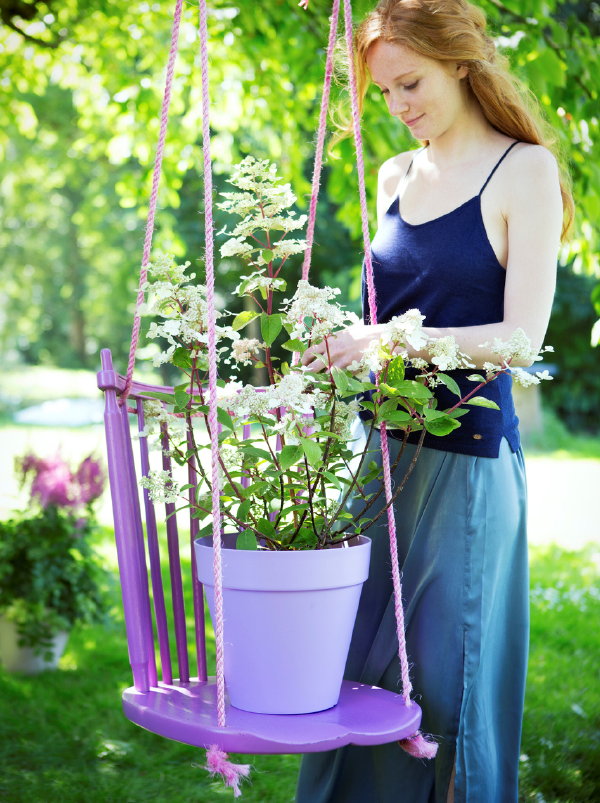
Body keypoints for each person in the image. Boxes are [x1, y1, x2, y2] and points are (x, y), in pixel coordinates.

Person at [296, 1, 572, 801]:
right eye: (384, 93)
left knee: (446, 690)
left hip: (469, 468)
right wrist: (342, 344)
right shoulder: (392, 175)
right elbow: (381, 319)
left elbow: (523, 339)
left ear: (458, 60)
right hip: (379, 463)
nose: (399, 106)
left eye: (409, 83)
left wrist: (391, 340)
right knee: (354, 677)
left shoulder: (523, 170)